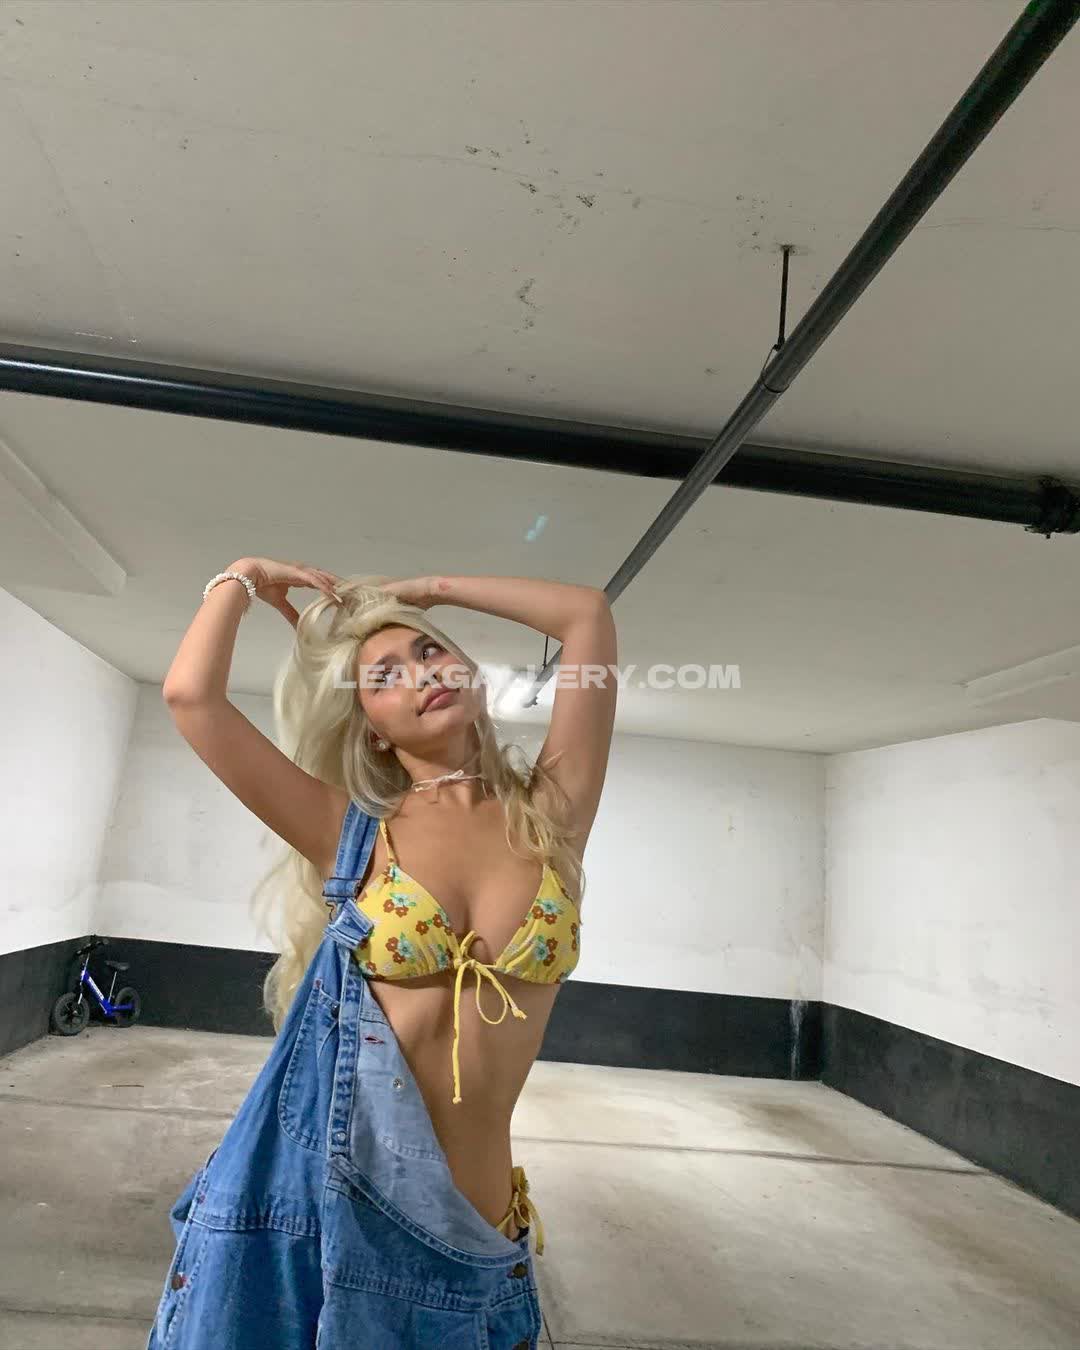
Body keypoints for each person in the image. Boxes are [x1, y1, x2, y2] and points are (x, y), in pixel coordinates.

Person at [148, 557, 617, 1349]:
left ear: (469, 672)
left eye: (431, 651)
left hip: (485, 1241)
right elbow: (192, 698)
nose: (421, 673)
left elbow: (586, 616)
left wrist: (428, 590)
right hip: (351, 1228)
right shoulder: (352, 833)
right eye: (385, 675)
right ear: (372, 726)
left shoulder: (550, 818)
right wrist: (241, 578)